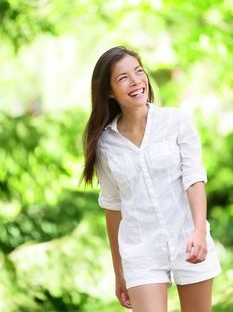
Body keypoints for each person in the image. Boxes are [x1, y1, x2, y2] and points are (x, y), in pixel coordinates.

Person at [82, 46, 221, 312]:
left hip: (189, 240)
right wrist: (118, 271)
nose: (135, 81)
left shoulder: (176, 121)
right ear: (109, 91)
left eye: (138, 72)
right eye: (123, 78)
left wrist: (200, 231)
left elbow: (194, 180)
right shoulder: (105, 145)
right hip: (141, 252)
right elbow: (113, 207)